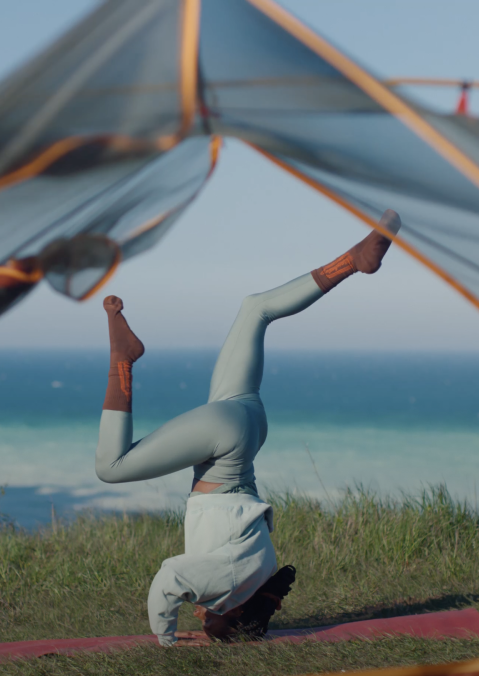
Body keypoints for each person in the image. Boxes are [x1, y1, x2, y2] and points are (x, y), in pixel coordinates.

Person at [95, 210, 402, 646]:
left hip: (246, 423)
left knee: (254, 309)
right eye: (213, 625)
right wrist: (164, 640)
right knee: (111, 467)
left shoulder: (257, 568)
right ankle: (121, 361)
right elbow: (170, 579)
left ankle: (352, 260)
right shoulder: (237, 579)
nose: (204, 622)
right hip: (226, 445)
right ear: (237, 614)